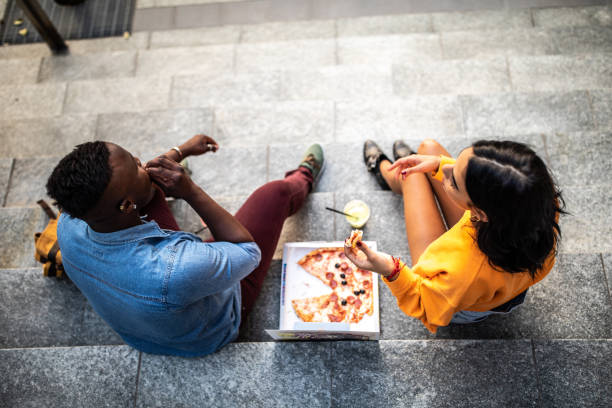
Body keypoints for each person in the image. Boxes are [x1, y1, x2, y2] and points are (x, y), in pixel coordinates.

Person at [46, 135, 324, 356]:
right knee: (274, 193)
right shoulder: (176, 268)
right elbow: (248, 253)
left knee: (151, 194)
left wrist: (179, 151)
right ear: (128, 205)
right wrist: (190, 190)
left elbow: (130, 206)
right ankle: (303, 178)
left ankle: (157, 187)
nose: (142, 161)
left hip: (140, 335)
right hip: (210, 332)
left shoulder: (68, 224)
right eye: (137, 167)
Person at [344, 139, 564, 332]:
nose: (445, 170)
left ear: (479, 213)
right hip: (500, 285)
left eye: (454, 181)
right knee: (428, 148)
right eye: (455, 161)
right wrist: (439, 165)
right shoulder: (539, 200)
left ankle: (389, 175)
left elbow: (424, 302)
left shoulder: (462, 269)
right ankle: (400, 174)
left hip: (458, 300)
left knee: (411, 174)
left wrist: (388, 268)